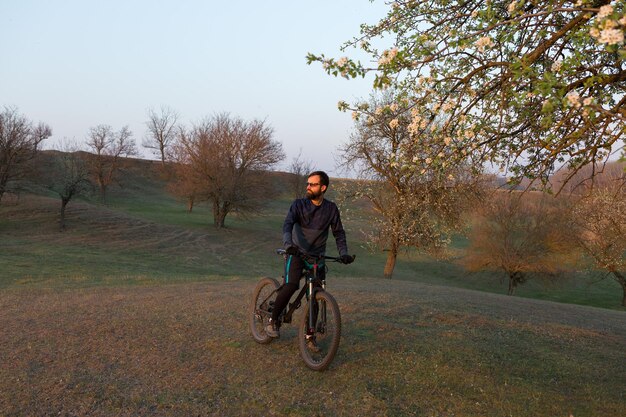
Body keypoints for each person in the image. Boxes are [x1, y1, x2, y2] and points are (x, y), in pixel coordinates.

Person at [265, 170, 354, 346]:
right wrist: (288, 244)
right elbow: (287, 225)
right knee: (291, 286)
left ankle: (309, 335)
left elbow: (339, 233)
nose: (308, 187)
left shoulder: (331, 209)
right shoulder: (298, 205)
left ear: (323, 187)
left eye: (312, 184)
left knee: (315, 295)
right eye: (308, 183)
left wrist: (343, 253)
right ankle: (273, 321)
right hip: (296, 252)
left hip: (317, 257)